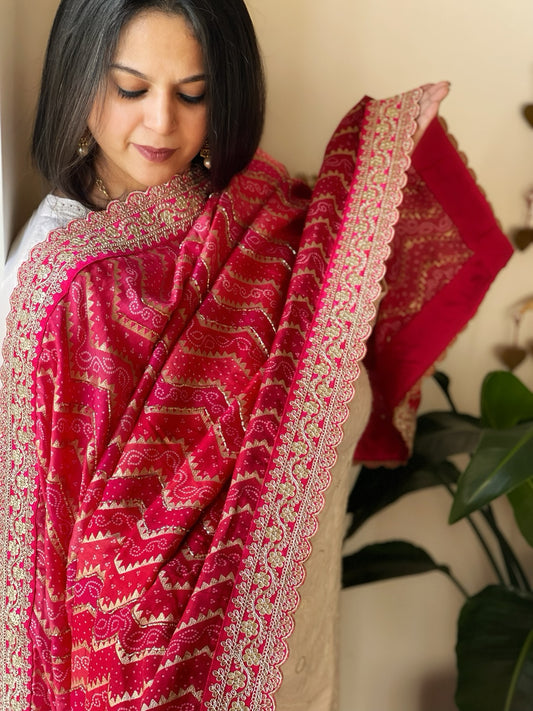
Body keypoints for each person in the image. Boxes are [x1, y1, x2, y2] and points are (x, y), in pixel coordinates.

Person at [0, 1, 512, 710]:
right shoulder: (57, 284)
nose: (161, 123)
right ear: (76, 76)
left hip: (284, 618)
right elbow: (62, 549)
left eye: (193, 93)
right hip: (156, 666)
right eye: (130, 88)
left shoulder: (247, 198)